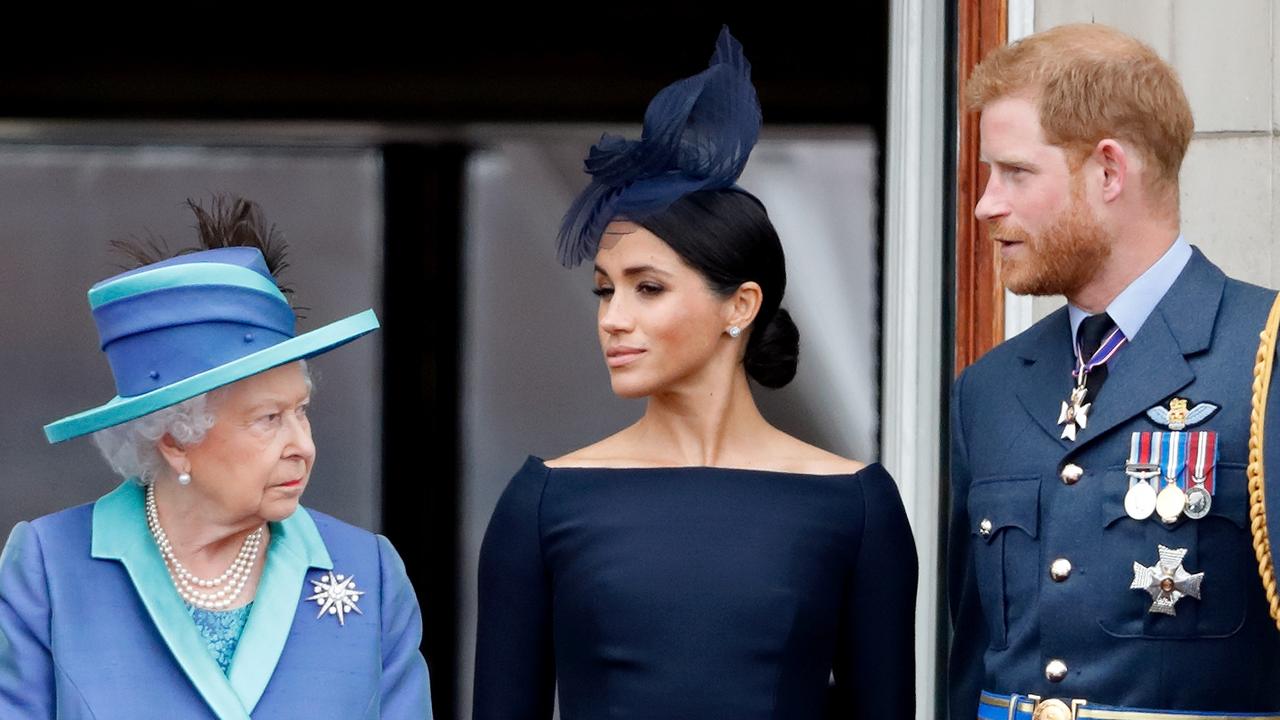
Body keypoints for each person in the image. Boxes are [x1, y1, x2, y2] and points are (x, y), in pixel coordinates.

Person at [473, 27, 916, 720]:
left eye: (646, 288)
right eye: (604, 289)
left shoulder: (856, 506)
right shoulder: (543, 501)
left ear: (739, 305)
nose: (612, 318)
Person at [949, 23, 1280, 720]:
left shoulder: (1268, 353)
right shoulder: (989, 389)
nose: (985, 204)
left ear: (1107, 171)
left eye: (1014, 172)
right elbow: (975, 657)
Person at [0, 197, 432, 719]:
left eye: (302, 411)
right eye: (268, 419)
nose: (303, 445)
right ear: (175, 441)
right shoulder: (50, 569)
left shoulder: (370, 570)